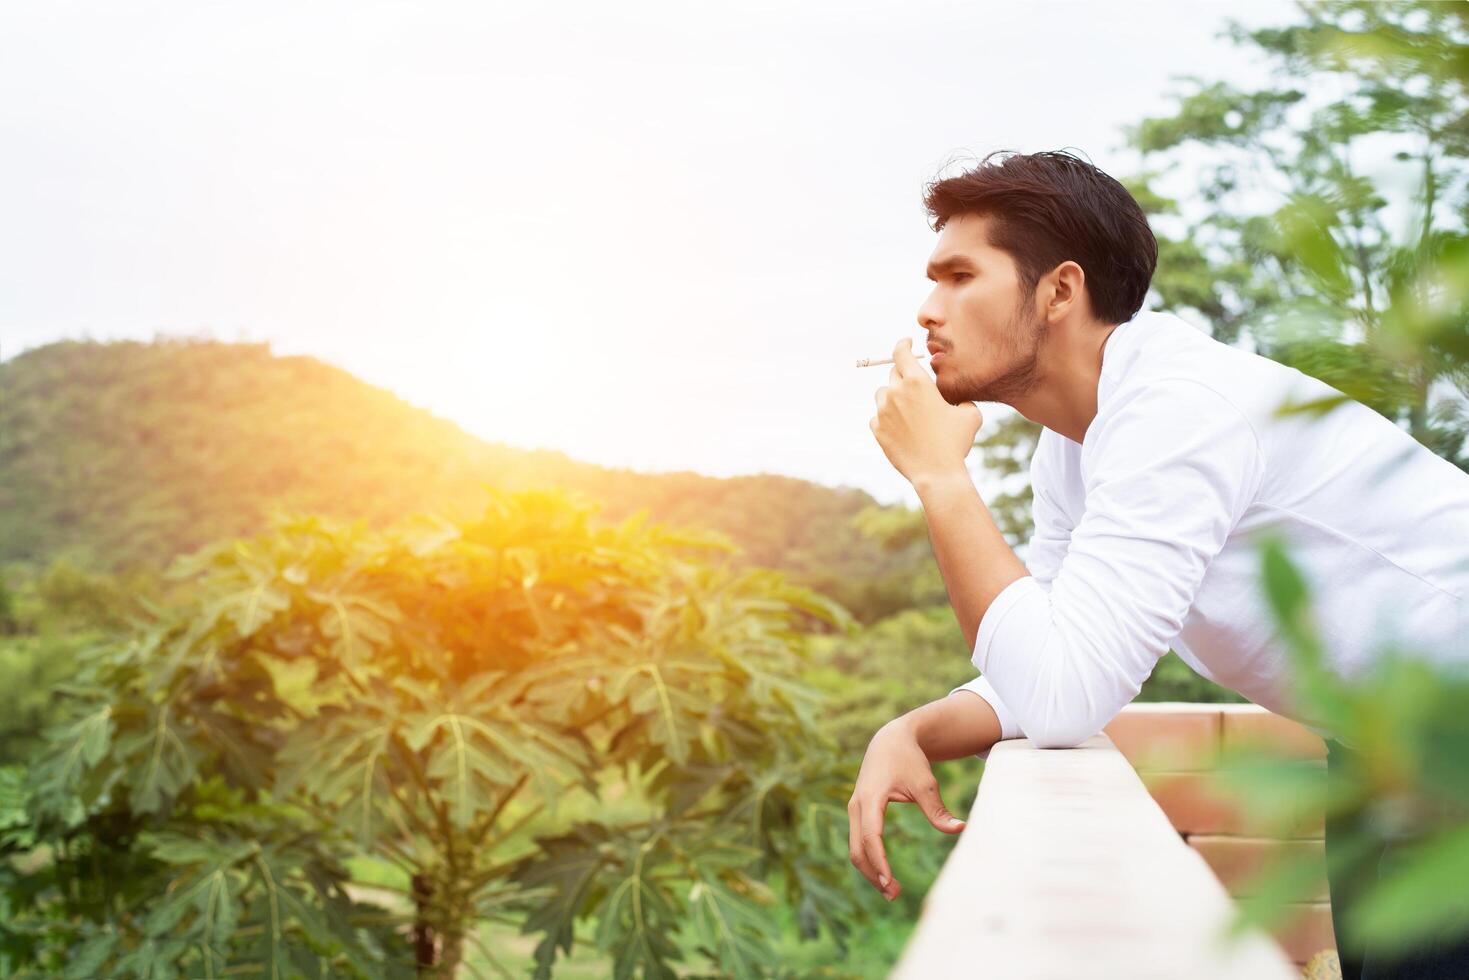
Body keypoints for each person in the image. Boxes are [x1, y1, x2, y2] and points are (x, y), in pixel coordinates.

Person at [850, 148, 1469, 978]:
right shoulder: (1077, 446)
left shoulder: (1176, 412)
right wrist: (919, 726)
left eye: (959, 277)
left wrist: (939, 476)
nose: (927, 311)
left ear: (1059, 291)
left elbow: (1064, 695)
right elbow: (1064, 653)